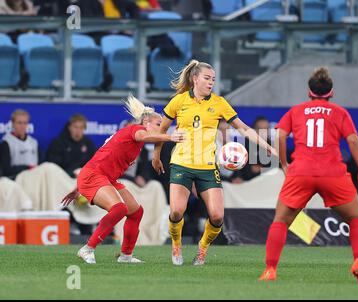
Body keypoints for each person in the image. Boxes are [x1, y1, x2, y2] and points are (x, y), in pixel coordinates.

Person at [152, 59, 277, 266]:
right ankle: (176, 245)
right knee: (176, 211)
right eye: (207, 78)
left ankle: (201, 251)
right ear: (195, 79)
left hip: (208, 167)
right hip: (182, 163)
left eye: (213, 79)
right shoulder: (179, 101)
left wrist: (267, 147)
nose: (211, 83)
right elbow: (161, 131)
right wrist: (156, 156)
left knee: (218, 217)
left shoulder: (219, 103)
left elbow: (243, 128)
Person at [259, 67, 358, 282]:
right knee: (356, 219)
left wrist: (284, 164)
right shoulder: (340, 112)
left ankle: (270, 270)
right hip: (333, 173)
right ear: (332, 93)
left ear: (309, 92)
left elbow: (280, 136)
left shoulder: (296, 111)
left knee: (280, 221)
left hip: (301, 172)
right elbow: (354, 141)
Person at [61, 95, 184, 264]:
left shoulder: (135, 138)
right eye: (158, 124)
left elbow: (100, 157)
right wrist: (170, 137)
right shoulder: (136, 131)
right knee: (119, 208)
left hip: (103, 177)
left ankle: (126, 256)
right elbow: (144, 137)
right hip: (94, 176)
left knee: (135, 212)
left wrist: (78, 189)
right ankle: (87, 248)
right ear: (146, 124)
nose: (161, 128)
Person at [46, 114, 97, 178]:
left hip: (84, 178)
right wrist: (72, 172)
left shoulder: (89, 144)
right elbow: (54, 165)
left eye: (81, 128)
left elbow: (95, 164)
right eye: (75, 127)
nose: (78, 131)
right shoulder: (58, 143)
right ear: (69, 127)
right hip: (63, 178)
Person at [0, 109, 39, 180]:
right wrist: (27, 168)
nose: (22, 126)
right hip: (15, 181)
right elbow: (6, 170)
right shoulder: (6, 143)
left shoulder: (33, 142)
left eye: (25, 123)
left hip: (34, 181)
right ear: (13, 124)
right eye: (19, 123)